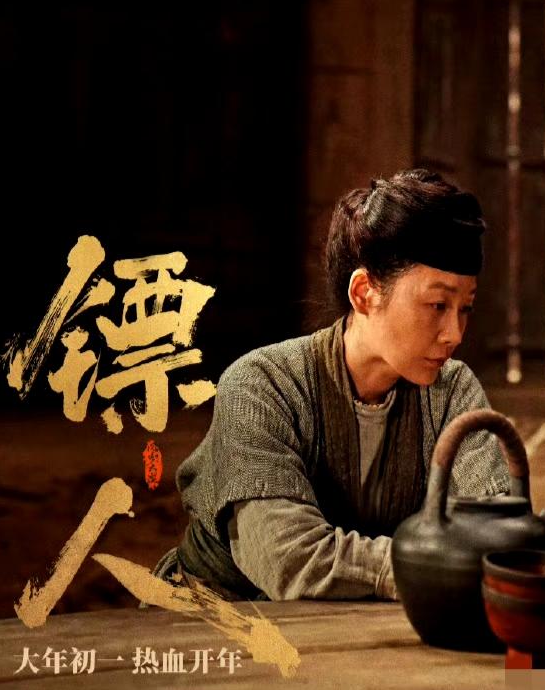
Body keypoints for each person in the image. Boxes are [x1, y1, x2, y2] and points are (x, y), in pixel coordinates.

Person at [160, 168, 509, 601]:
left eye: (465, 308)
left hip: (353, 621)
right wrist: (431, 565)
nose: (454, 334)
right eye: (437, 305)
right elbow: (289, 557)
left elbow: (497, 530)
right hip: (212, 616)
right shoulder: (261, 385)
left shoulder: (452, 391)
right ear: (363, 293)